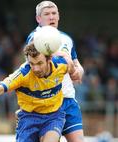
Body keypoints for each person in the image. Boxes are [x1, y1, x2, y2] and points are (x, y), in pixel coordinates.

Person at [0, 42, 75, 142]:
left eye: (39, 63)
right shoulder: (23, 74)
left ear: (49, 59)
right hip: (29, 118)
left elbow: (74, 69)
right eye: (32, 64)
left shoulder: (60, 65)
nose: (35, 69)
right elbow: (0, 88)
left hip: (53, 116)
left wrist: (70, 62)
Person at [25, 1, 84, 142]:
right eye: (46, 14)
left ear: (59, 16)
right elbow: (42, 56)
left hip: (68, 99)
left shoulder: (66, 38)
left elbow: (75, 61)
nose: (51, 17)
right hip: (47, 100)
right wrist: (64, 57)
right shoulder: (35, 37)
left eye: (54, 13)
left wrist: (79, 70)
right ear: (38, 19)